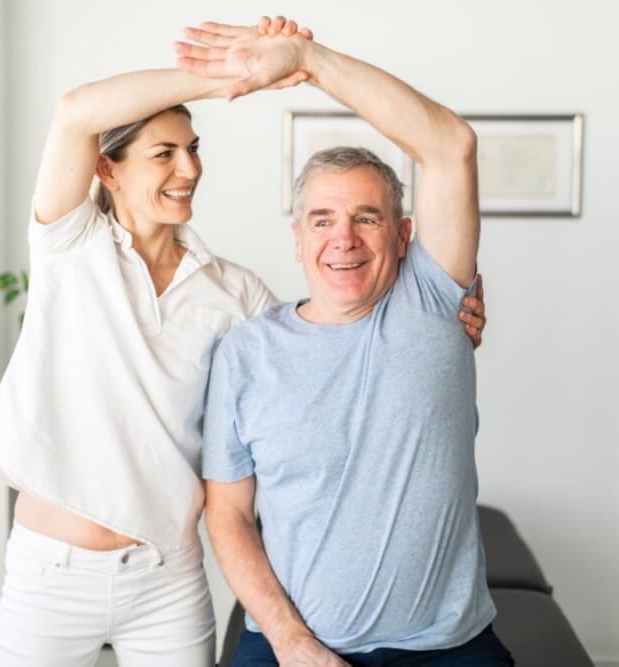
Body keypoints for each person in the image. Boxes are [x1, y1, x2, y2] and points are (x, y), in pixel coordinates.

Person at [0, 17, 487, 667]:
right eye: (164, 152)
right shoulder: (69, 249)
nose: (188, 167)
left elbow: (327, 335)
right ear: (107, 168)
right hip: (52, 572)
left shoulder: (235, 293)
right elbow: (76, 111)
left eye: (193, 149)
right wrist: (242, 72)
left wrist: (455, 303)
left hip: (167, 573)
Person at [194, 23, 513, 667]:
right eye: (323, 219)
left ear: (403, 235)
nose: (343, 239)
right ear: (297, 237)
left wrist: (309, 59)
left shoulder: (431, 300)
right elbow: (227, 515)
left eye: (365, 218)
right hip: (291, 646)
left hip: (444, 649)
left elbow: (452, 145)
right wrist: (289, 639)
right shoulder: (245, 353)